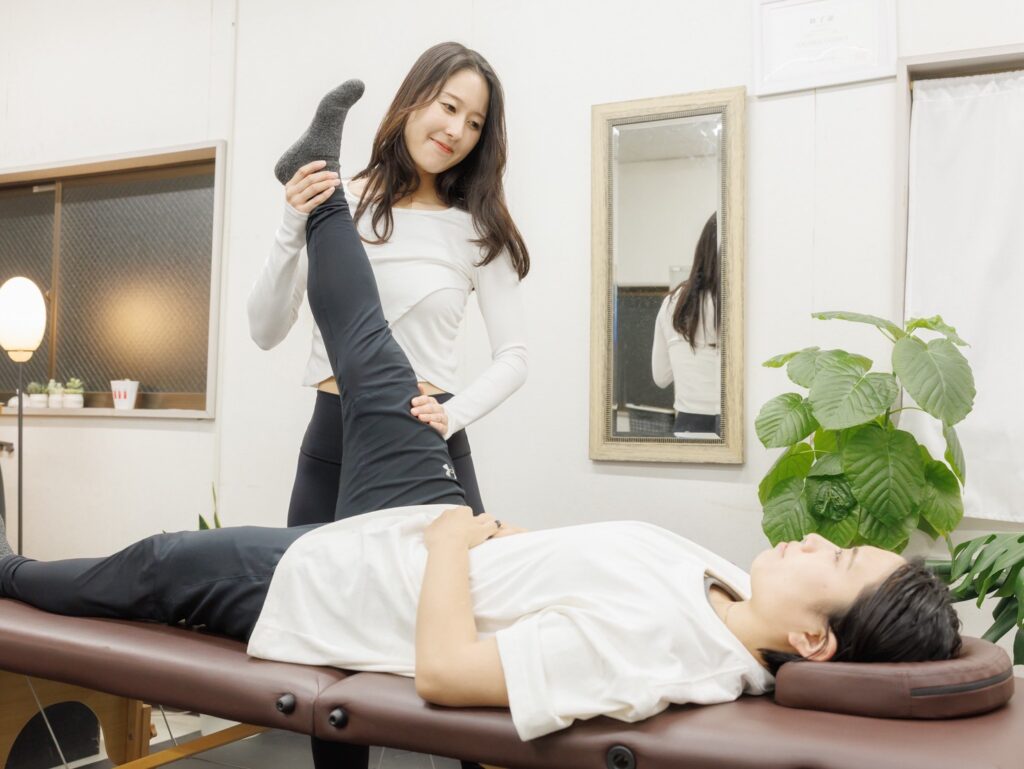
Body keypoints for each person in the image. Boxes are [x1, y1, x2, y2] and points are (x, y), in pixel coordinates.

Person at [0, 84, 961, 755]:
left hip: (381, 575)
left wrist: (454, 541)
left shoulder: (664, 654)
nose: (816, 539)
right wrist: (501, 539)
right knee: (371, 350)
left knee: (163, 564)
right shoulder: (727, 587)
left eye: (838, 559)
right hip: (437, 524)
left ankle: (8, 574)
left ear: (814, 641)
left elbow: (450, 673)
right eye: (447, 107)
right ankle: (313, 174)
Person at [248, 42, 529, 525]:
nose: (457, 131)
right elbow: (264, 332)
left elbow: (515, 357)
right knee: (313, 574)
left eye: (475, 124)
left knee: (453, 570)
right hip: (334, 437)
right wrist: (293, 222)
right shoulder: (336, 204)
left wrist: (454, 415)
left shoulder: (478, 229)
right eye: (449, 107)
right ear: (413, 99)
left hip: (428, 433)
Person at [652, 212, 721, 436]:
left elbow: (661, 378)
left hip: (687, 427)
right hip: (733, 424)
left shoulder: (672, 302)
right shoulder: (735, 303)